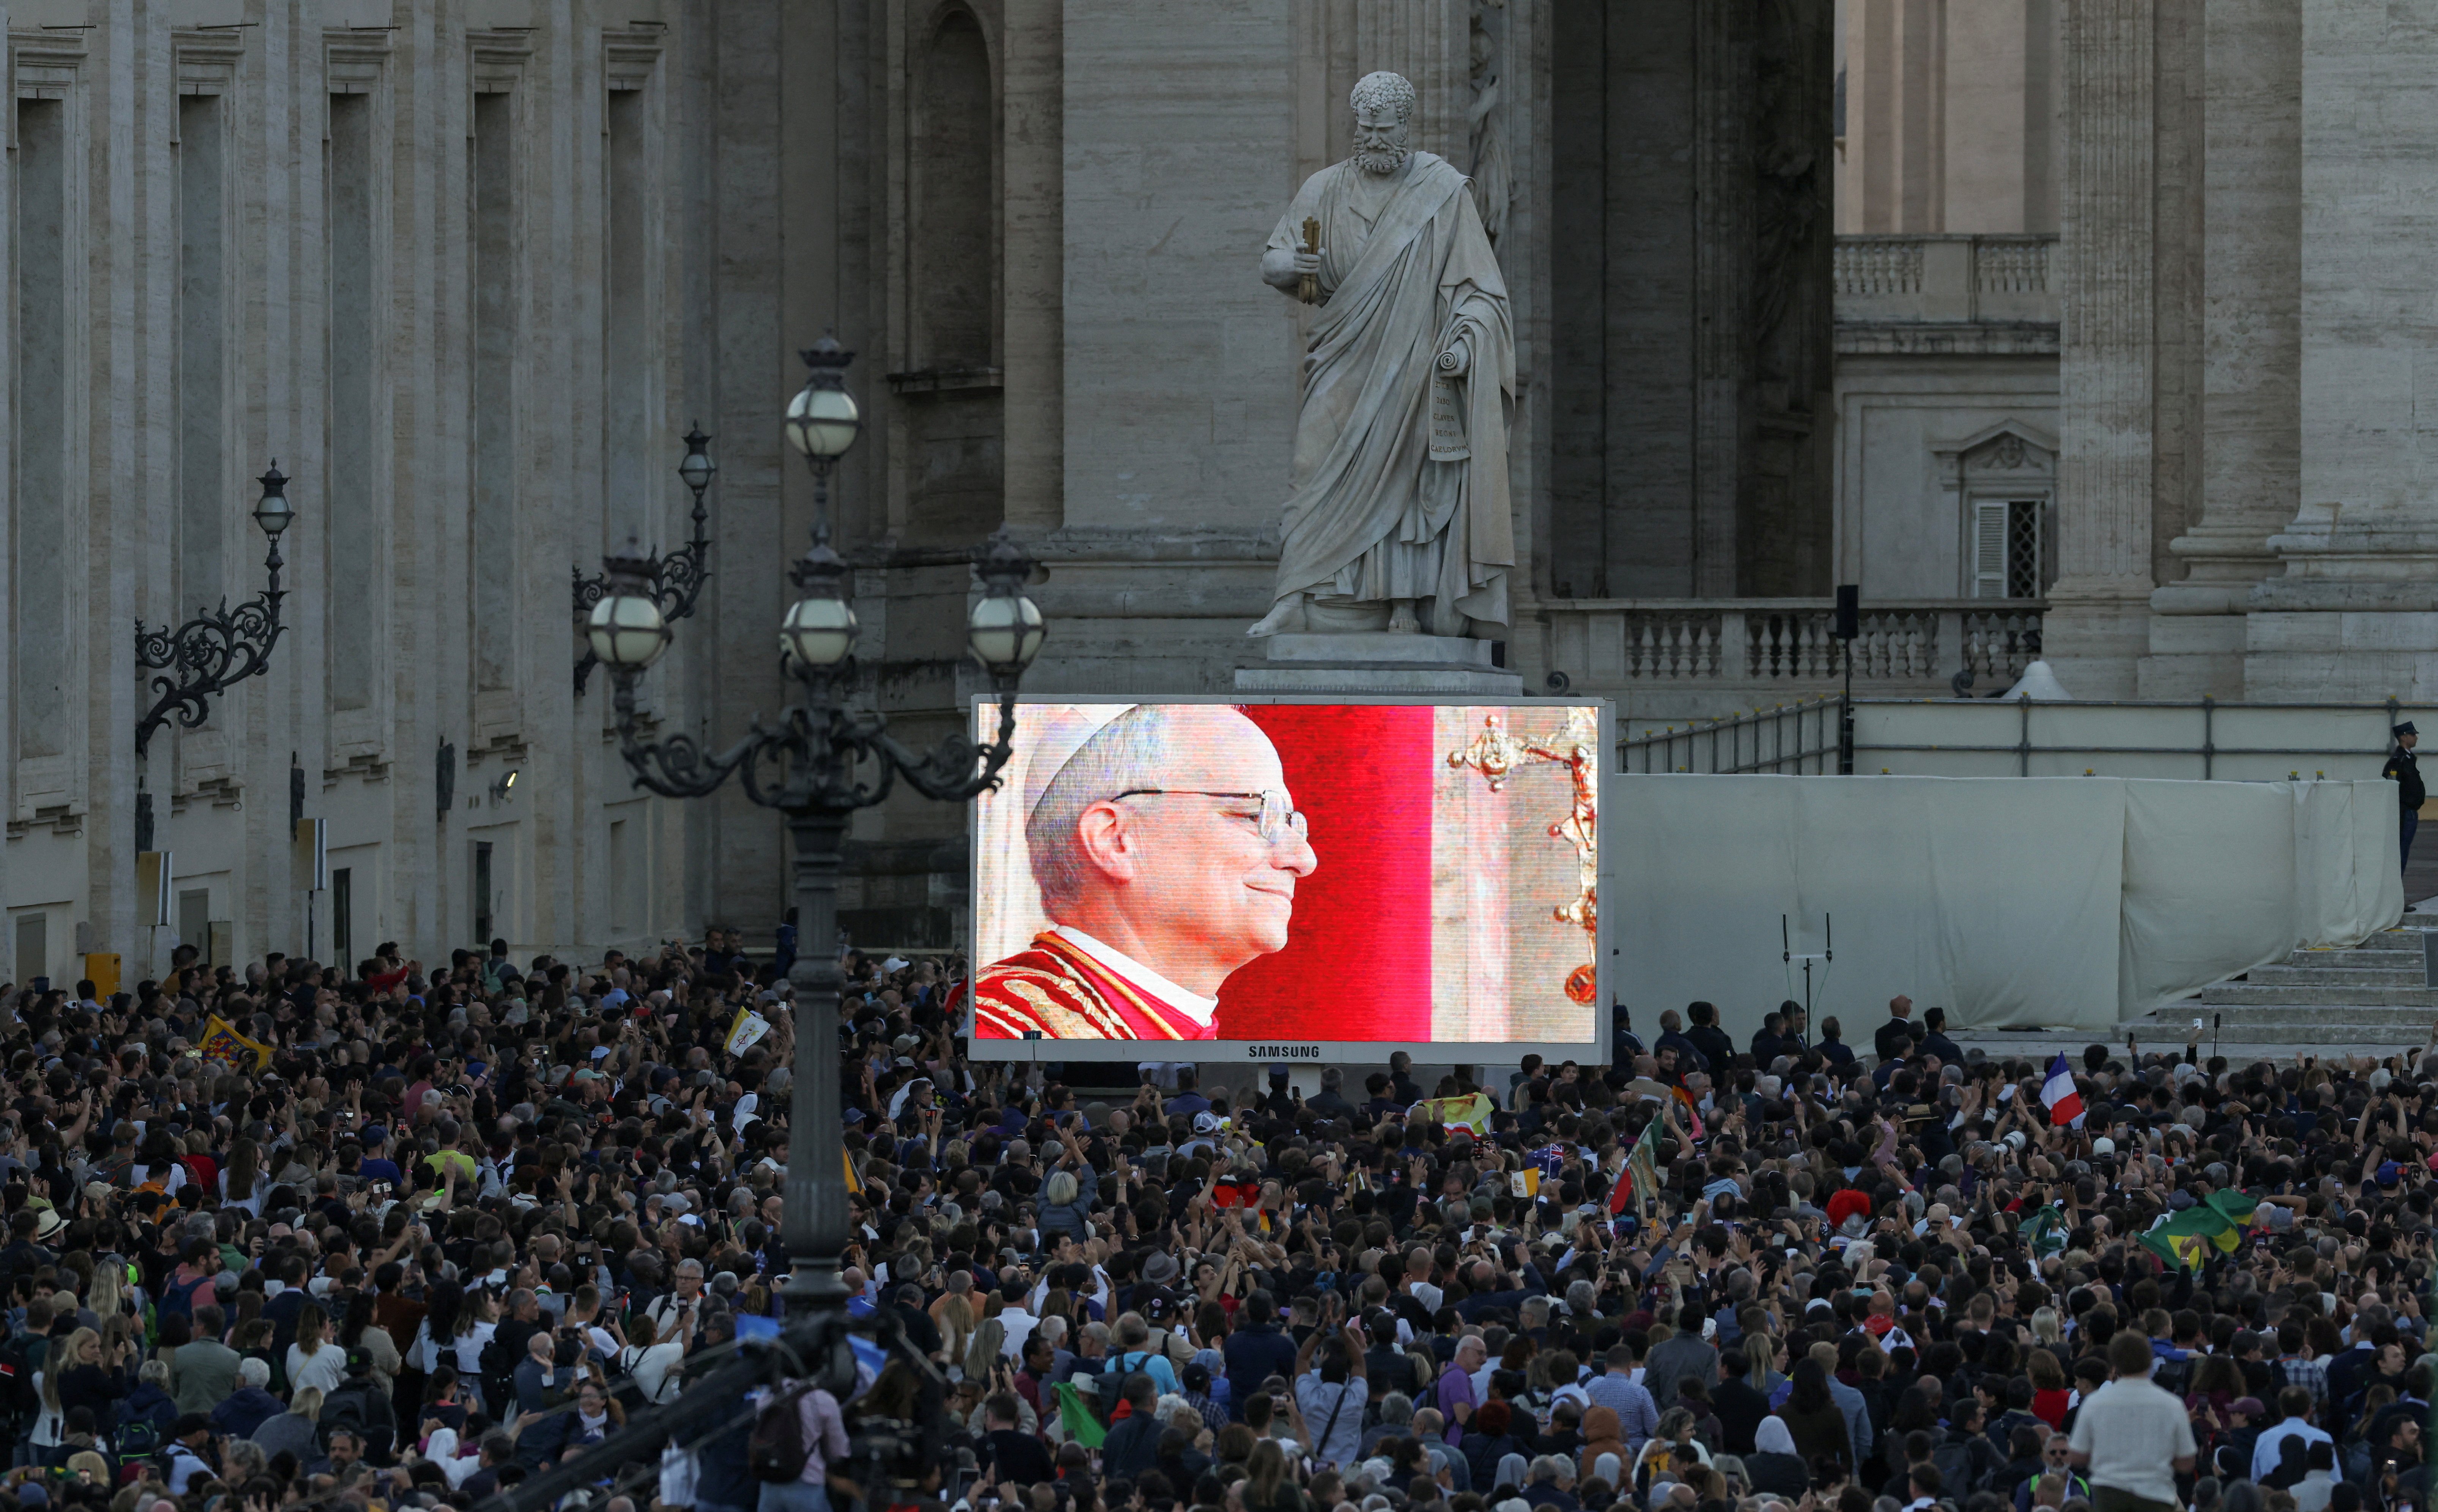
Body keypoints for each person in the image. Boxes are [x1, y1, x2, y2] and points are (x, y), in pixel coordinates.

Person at [1247, 69, 1514, 640]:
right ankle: (1294, 594)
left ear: (1405, 127)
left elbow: (1483, 293)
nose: (1372, 140)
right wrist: (1292, 266)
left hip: (1414, 364)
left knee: (1406, 484)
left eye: (1383, 130)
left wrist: (1466, 346)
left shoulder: (1442, 193)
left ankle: (1402, 606)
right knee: (1310, 470)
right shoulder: (1324, 187)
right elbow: (1272, 259)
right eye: (1364, 129)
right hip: (1342, 357)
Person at [967, 704, 1319, 1040]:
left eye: (1291, 823)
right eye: (1254, 815)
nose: (1303, 859)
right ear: (1115, 841)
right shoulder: (997, 1031)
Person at [2068, 1333, 2197, 1512]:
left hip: (2109, 1496)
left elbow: (2077, 1456)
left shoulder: (2095, 1403)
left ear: (2114, 1364)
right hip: (2156, 1496)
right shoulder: (2172, 1404)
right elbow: (2187, 1463)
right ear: (2150, 1361)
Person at [2389, 722, 2424, 871]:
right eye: (2412, 734)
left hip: (2409, 812)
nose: (2415, 737)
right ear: (2404, 737)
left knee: (2403, 851)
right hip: (2404, 813)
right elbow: (2392, 787)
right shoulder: (2400, 761)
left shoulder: (2407, 759)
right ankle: (2396, 885)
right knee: (2401, 852)